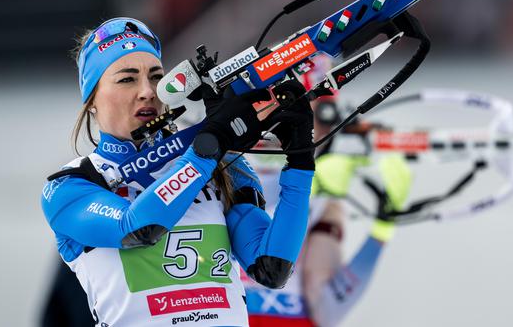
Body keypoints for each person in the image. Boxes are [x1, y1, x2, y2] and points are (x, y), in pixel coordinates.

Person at [40, 17, 316, 327]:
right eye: (127, 79)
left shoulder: (220, 165)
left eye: (156, 77)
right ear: (92, 100)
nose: (147, 91)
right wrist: (209, 145)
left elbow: (272, 267)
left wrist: (301, 162)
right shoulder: (71, 185)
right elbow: (138, 228)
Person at [242, 61, 414, 327]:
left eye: (314, 118)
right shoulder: (320, 189)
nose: (295, 127)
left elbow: (327, 308)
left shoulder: (323, 192)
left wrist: (381, 230)